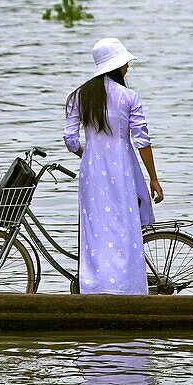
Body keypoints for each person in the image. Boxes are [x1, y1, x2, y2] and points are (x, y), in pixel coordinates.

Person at [64, 38, 164, 295]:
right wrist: (153, 178)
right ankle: (126, 288)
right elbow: (142, 141)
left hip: (92, 172)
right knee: (124, 226)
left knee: (95, 228)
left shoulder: (80, 96)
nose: (128, 68)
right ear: (117, 66)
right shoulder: (129, 97)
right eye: (125, 64)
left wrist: (87, 155)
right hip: (123, 169)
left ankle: (96, 286)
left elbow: (70, 139)